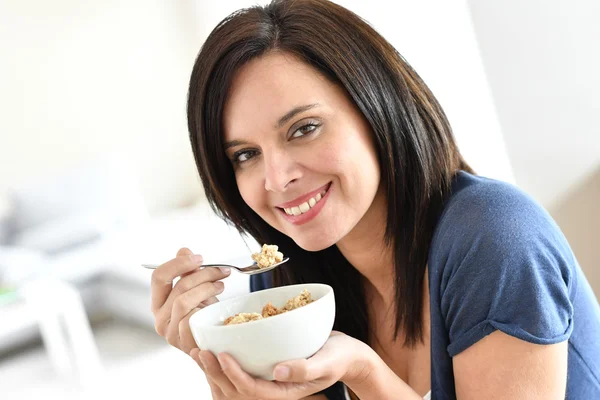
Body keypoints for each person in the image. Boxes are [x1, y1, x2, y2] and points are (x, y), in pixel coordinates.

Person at [150, 0, 600, 398]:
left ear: (377, 108)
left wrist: (364, 372)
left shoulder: (496, 241)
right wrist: (226, 363)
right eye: (246, 155)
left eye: (304, 128)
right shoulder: (283, 289)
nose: (277, 178)